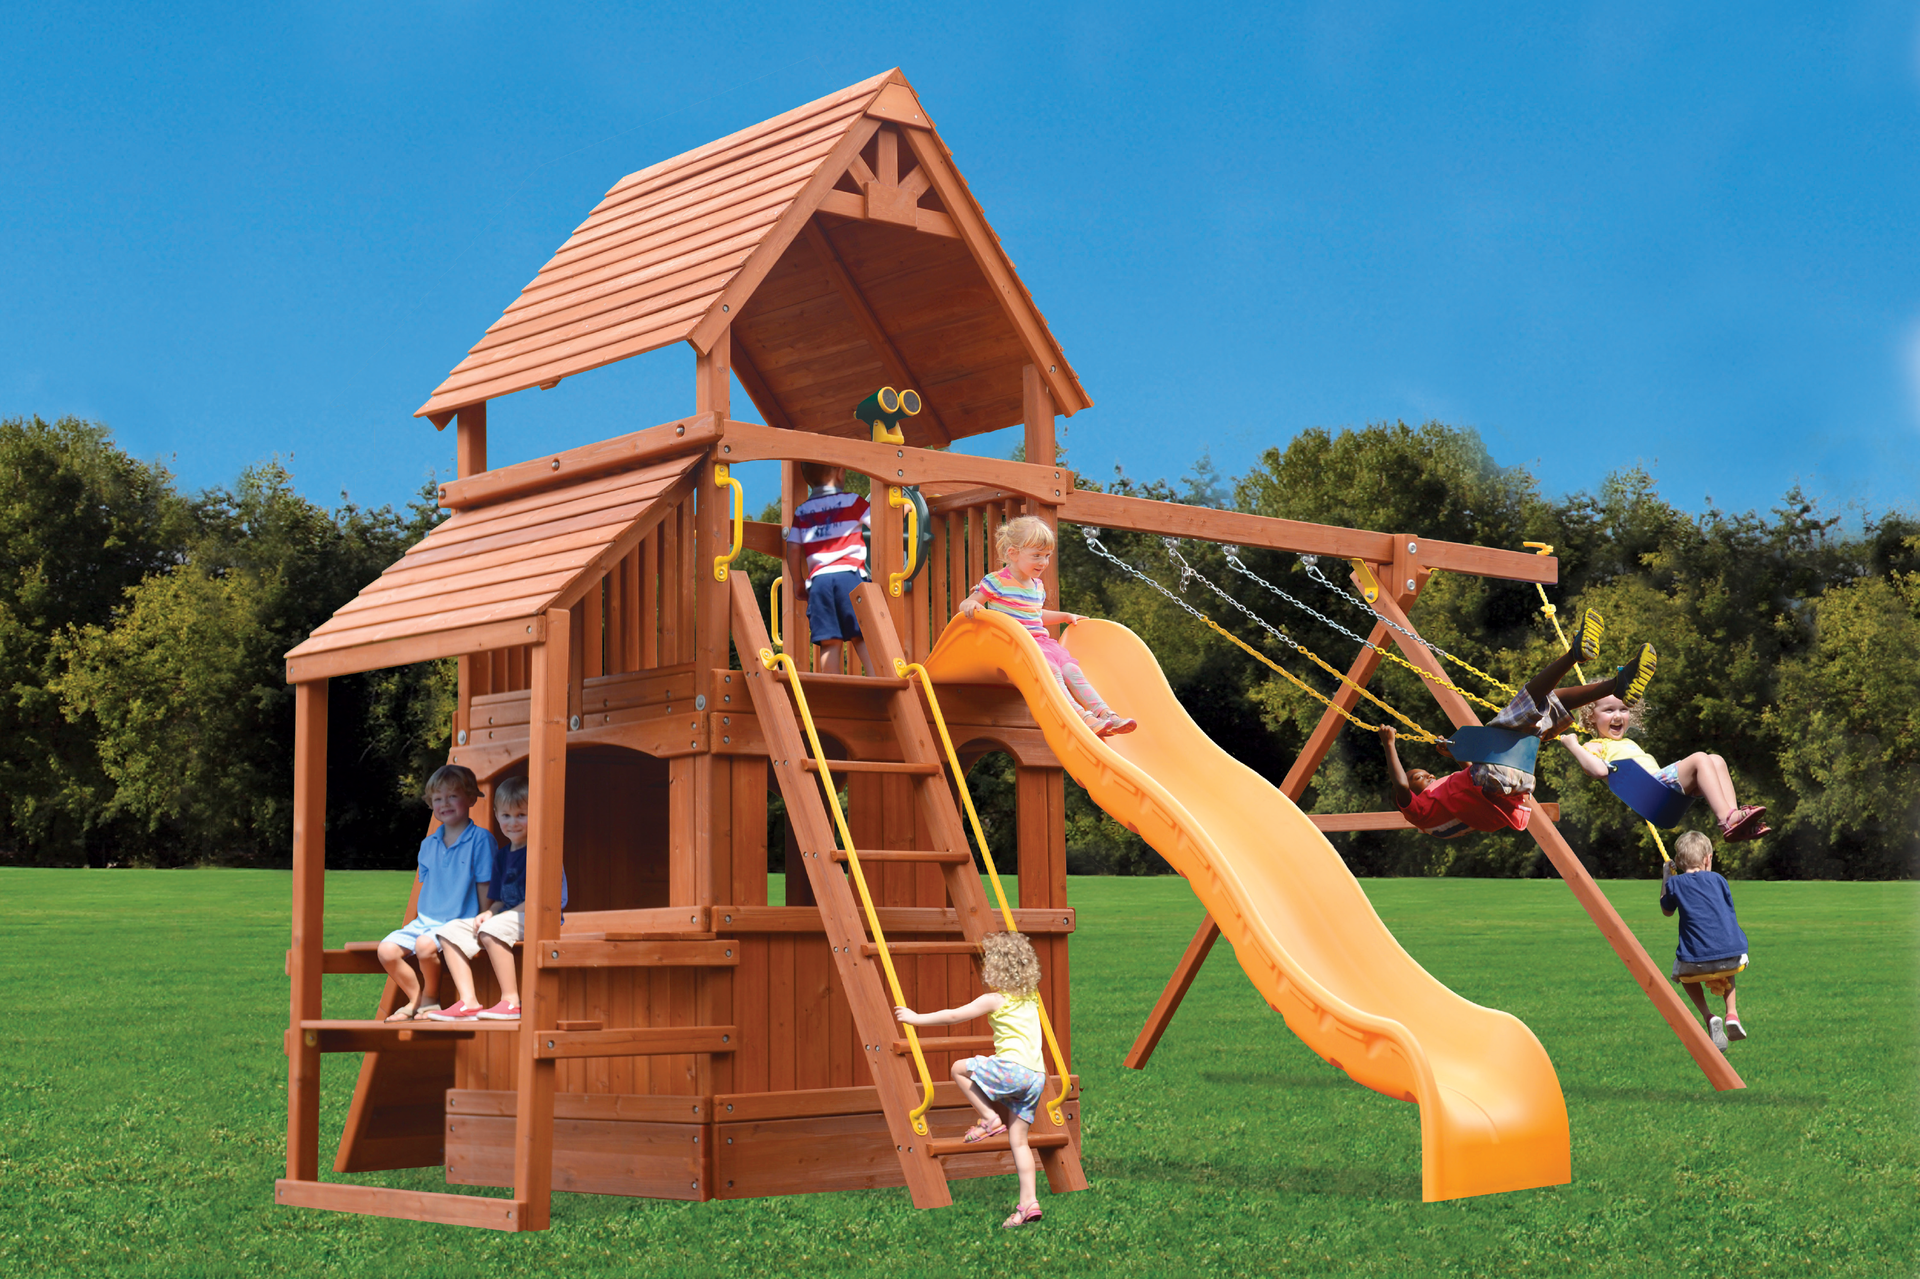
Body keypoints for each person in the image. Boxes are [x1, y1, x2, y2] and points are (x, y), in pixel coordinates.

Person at [1379, 608, 1653, 836]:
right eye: (1419, 777)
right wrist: (1389, 743)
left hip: (1515, 782)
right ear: (1408, 796)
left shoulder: (1445, 798)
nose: (1427, 775)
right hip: (1496, 782)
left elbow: (1472, 776)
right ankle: (1574, 655)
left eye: (1425, 772)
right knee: (1527, 700)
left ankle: (1616, 685)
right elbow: (1401, 785)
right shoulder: (1418, 810)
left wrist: (1456, 753)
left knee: (1551, 706)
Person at [895, 932, 1053, 1230]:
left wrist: (916, 1018)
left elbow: (953, 1016)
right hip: (1036, 1077)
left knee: (958, 1068)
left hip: (1013, 1069)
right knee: (1019, 1141)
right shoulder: (1031, 997)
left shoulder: (995, 999)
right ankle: (1028, 1203)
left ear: (995, 969)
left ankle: (990, 1118)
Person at [957, 515, 1135, 737]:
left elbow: (1036, 614)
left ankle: (1106, 714)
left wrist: (1064, 616)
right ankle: (1081, 716)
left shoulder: (1037, 585)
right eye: (1036, 556)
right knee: (1051, 672)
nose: (1043, 562)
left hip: (1043, 644)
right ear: (1013, 553)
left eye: (1047, 556)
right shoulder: (997, 581)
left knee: (1072, 670)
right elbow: (969, 601)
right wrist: (972, 605)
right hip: (1017, 645)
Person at [426, 775, 565, 1022]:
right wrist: (488, 912)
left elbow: (542, 899)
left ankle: (511, 1001)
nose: (513, 823)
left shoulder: (542, 852)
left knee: (491, 930)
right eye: (506, 816)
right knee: (449, 931)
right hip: (508, 918)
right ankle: (468, 1001)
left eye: (521, 815)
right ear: (496, 815)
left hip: (541, 915)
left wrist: (499, 918)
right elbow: (500, 899)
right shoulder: (502, 856)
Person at [376, 765, 497, 1022]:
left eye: (453, 796)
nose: (445, 803)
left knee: (424, 945)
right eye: (438, 799)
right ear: (431, 803)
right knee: (386, 951)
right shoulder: (428, 844)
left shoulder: (481, 840)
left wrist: (485, 916)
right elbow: (429, 885)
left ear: (471, 798)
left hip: (459, 921)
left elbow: (485, 884)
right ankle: (415, 998)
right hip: (426, 921)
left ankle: (431, 999)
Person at [1558, 695, 1769, 841]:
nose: (1618, 716)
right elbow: (1598, 771)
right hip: (1653, 789)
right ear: (1591, 717)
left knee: (1716, 759)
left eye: (1623, 709)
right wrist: (1573, 746)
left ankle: (1734, 819)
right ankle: (1727, 819)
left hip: (1663, 790)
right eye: (1609, 710)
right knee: (1700, 759)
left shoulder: (1626, 743)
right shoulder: (1594, 745)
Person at [1660, 830, 1750, 1052]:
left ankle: (1708, 1016)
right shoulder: (1719, 880)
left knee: (1683, 976)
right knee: (1728, 968)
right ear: (1708, 858)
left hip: (1695, 963)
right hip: (1731, 956)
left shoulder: (1676, 883)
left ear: (1679, 862)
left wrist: (1666, 877)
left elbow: (1666, 910)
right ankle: (1732, 1013)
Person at [784, 462, 873, 675]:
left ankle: (833, 689)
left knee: (829, 642)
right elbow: (881, 523)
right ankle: (876, 679)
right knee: (864, 635)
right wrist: (904, 510)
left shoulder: (802, 511)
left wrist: (797, 581)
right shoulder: (853, 501)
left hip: (819, 582)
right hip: (850, 577)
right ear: (840, 473)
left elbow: (793, 549)